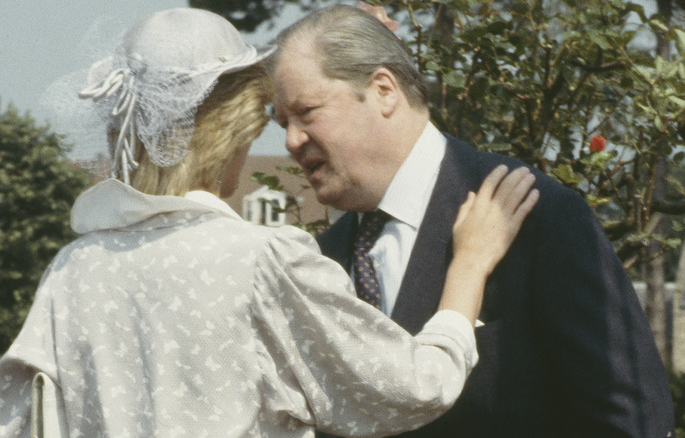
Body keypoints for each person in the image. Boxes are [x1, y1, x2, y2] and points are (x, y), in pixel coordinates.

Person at [0, 8, 539, 438]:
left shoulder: (71, 273)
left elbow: (23, 420)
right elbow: (416, 387)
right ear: (232, 128)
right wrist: (469, 263)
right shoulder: (257, 260)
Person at [267, 4, 674, 437]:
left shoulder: (536, 215)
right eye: (282, 123)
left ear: (384, 90)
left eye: (307, 112)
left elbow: (632, 420)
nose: (292, 140)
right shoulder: (323, 260)